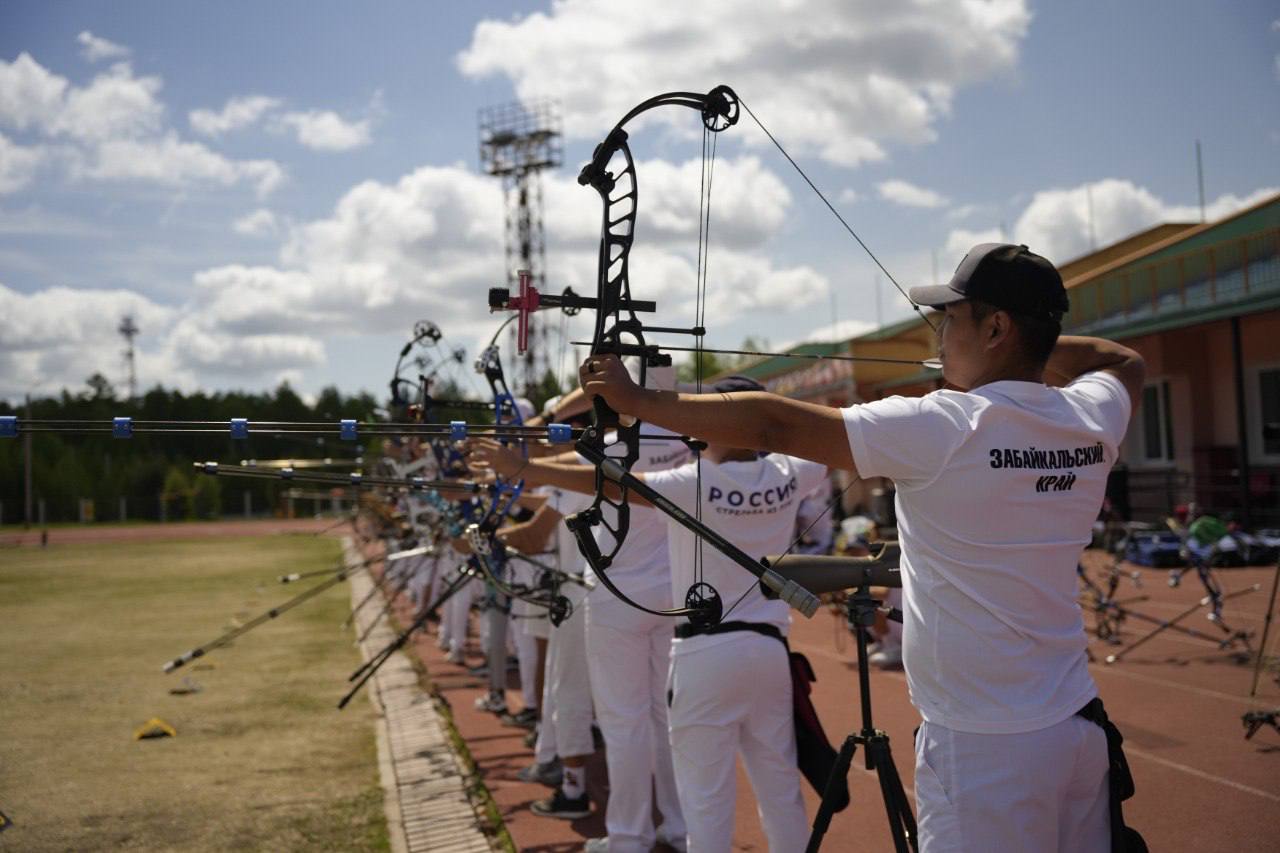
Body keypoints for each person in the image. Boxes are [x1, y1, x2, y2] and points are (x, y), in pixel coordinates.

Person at [577, 244, 1147, 852]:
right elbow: (1124, 361)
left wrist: (639, 402)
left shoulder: (945, 424)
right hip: (1077, 728)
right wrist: (1033, 345)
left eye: (952, 317)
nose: (941, 330)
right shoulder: (1090, 414)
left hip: (984, 747)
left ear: (996, 328)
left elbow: (775, 425)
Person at [474, 376, 821, 851]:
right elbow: (824, 442)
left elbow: (603, 481)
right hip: (770, 650)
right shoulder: (789, 473)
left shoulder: (691, 482)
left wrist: (522, 467)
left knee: (704, 795)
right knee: (781, 788)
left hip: (702, 652)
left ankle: (631, 838)